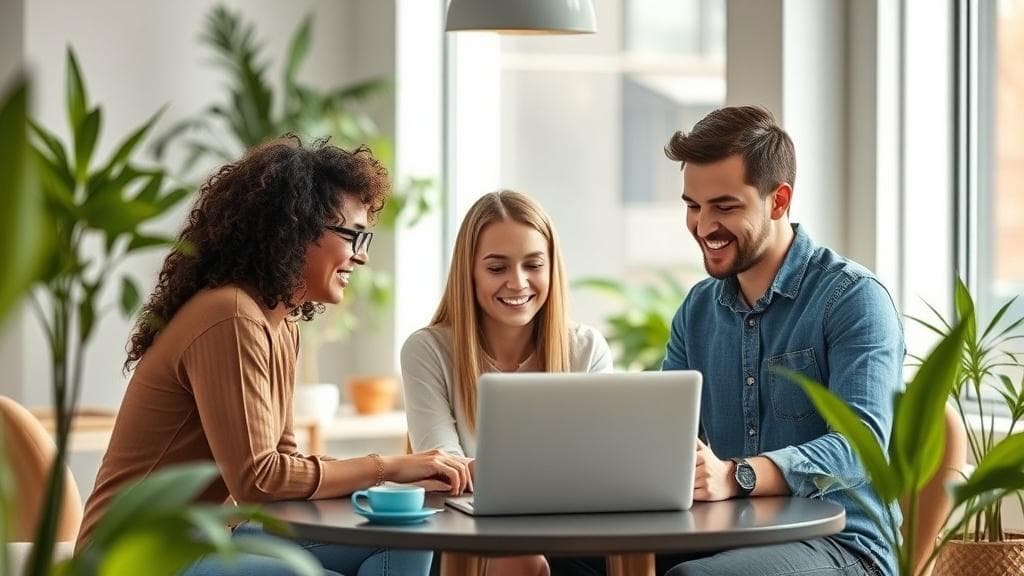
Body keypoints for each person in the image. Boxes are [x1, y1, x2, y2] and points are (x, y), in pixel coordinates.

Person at [76, 136, 471, 576]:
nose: (360, 257)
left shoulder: (279, 327)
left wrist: (399, 477)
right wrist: (390, 466)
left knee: (405, 533)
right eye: (352, 235)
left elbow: (286, 465)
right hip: (132, 558)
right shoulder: (230, 316)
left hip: (208, 538)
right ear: (294, 229)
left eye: (366, 238)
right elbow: (259, 481)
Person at [657, 105, 903, 576]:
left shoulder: (852, 299)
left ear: (778, 200)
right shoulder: (698, 310)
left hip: (845, 546)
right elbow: (668, 436)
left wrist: (737, 475)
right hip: (723, 536)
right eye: (693, 205)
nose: (703, 226)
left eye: (724, 207)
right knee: (576, 563)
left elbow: (860, 446)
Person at [401, 190, 613, 576]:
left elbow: (598, 469)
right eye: (497, 268)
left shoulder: (586, 348)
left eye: (533, 265)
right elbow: (447, 472)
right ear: (470, 272)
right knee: (518, 559)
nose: (518, 283)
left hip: (567, 533)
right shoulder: (427, 350)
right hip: (464, 534)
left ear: (552, 268)